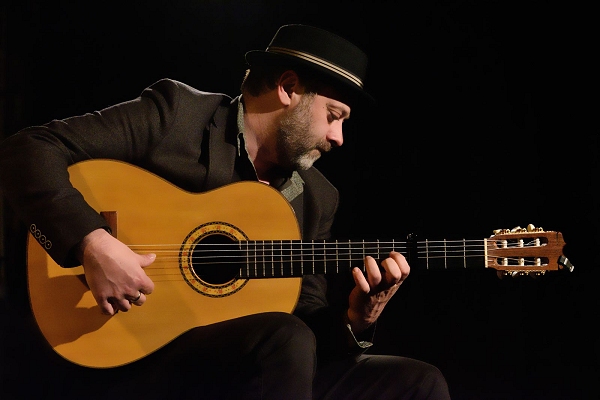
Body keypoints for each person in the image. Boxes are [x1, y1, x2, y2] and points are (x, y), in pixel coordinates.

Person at [0, 24, 451, 399]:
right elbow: (26, 150)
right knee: (284, 339)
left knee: (418, 382)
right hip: (138, 347)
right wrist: (92, 242)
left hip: (257, 365)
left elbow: (306, 314)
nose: (338, 138)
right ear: (288, 88)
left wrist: (357, 318)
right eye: (334, 115)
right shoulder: (177, 116)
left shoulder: (317, 196)